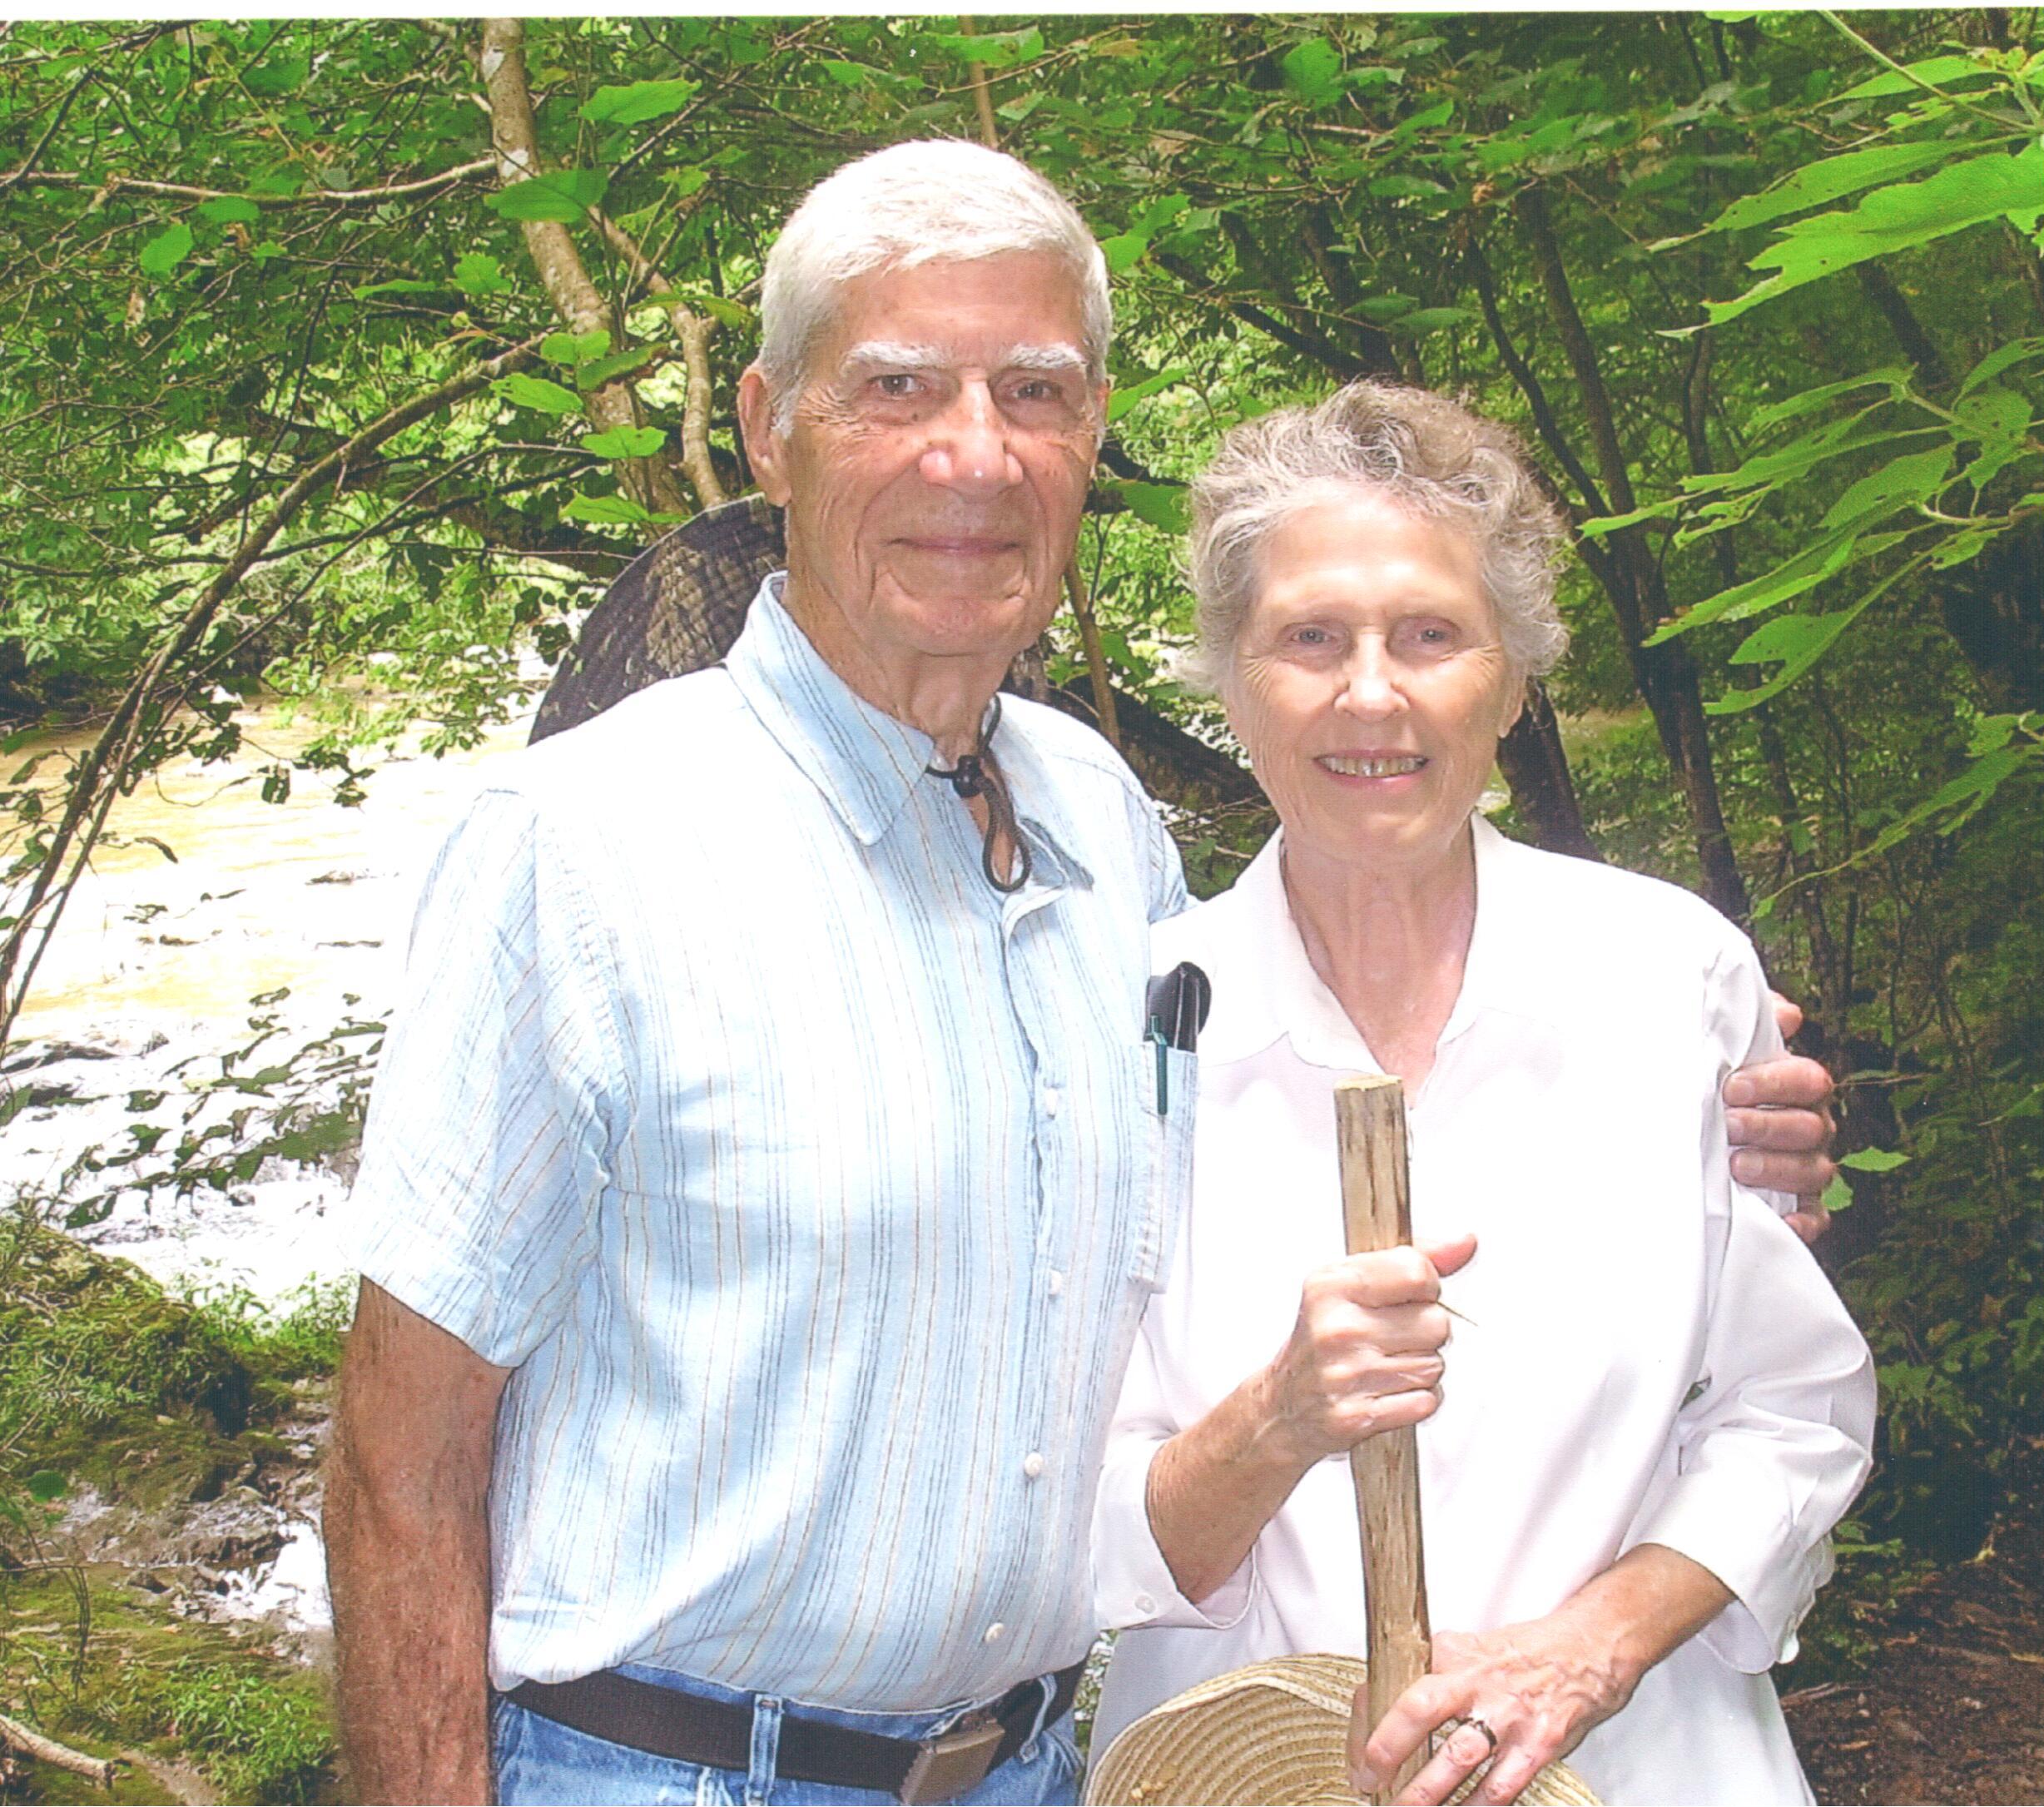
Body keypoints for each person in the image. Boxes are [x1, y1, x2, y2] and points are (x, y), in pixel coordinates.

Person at [322, 143, 1838, 1807]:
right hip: (672, 1768)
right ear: (766, 424)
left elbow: (1773, 1388)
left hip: (1030, 1765)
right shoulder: (580, 843)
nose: (973, 454)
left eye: (1032, 392)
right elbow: (403, 1456)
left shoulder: (1106, 847)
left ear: (1091, 432)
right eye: (897, 386)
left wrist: (1729, 1130)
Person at [1089, 384, 1874, 1806]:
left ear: (1512, 681)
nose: (1369, 693)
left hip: (1641, 1767)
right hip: (1242, 1774)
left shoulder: (1666, 975)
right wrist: (1277, 1420)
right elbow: (1063, 1525)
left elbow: (1792, 1411)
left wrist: (1582, 1652)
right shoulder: (1118, 1032)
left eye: (1429, 636)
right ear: (1231, 680)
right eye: (1309, 639)